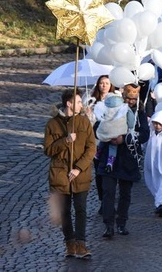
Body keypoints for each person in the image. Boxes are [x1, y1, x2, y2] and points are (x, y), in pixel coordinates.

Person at [44, 89, 96, 259]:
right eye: (79, 102)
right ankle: (70, 244)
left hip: (80, 174)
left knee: (81, 209)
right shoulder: (52, 124)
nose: (82, 105)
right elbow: (48, 150)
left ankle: (81, 244)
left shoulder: (84, 122)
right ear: (69, 103)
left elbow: (91, 148)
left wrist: (78, 168)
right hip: (60, 175)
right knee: (65, 212)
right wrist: (65, 141)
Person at [96, 83, 150, 238]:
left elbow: (144, 134)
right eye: (127, 98)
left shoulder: (139, 114)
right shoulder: (111, 110)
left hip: (128, 158)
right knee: (108, 192)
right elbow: (97, 128)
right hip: (109, 160)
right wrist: (108, 135)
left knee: (125, 194)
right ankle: (108, 225)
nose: (130, 101)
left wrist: (124, 139)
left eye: (133, 98)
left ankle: (121, 222)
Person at [82, 75, 115, 209]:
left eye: (107, 83)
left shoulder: (114, 99)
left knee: (110, 172)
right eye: (101, 83)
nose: (104, 85)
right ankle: (103, 199)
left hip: (110, 139)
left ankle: (109, 200)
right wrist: (88, 113)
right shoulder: (91, 100)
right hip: (96, 140)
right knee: (99, 171)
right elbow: (88, 123)